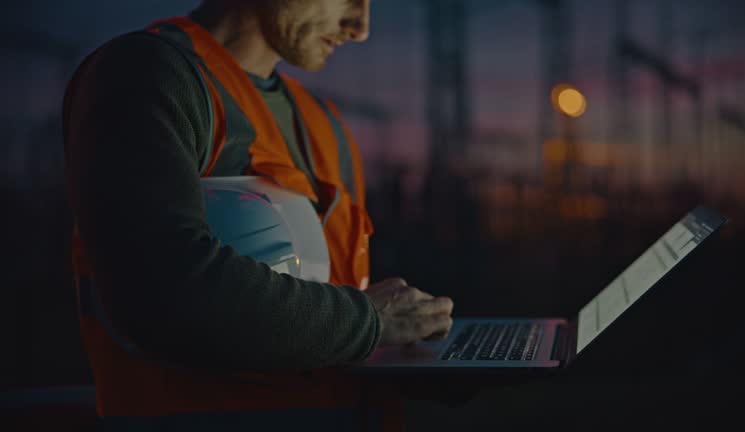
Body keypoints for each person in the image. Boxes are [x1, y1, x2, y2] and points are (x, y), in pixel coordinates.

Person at [62, 0, 454, 430]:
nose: (359, 27)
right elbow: (162, 289)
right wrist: (370, 323)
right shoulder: (149, 74)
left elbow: (327, 322)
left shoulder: (322, 121)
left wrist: (412, 359)